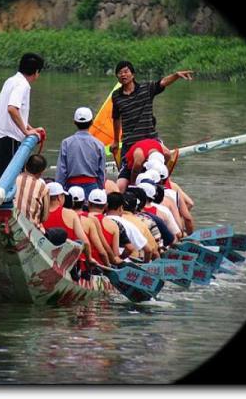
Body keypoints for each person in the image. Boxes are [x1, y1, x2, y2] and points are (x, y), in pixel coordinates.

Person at [109, 60, 193, 192]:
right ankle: (132, 189)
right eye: (119, 73)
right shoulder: (116, 96)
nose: (123, 75)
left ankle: (161, 179)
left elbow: (162, 82)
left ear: (133, 74)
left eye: (126, 72)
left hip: (151, 139)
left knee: (167, 154)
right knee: (120, 187)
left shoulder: (146, 89)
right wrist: (115, 141)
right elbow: (116, 119)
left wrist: (176, 75)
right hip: (130, 143)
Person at [0, 53, 45, 203]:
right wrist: (26, 131)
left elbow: (14, 111)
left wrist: (31, 128)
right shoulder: (23, 85)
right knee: (9, 184)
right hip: (8, 140)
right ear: (36, 72)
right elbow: (12, 109)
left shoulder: (11, 81)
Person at [43, 182, 97, 275]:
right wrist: (89, 259)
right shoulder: (70, 214)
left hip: (45, 262)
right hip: (68, 267)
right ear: (60, 197)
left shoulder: (38, 214)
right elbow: (85, 242)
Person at [56, 107, 106, 199]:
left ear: (74, 122)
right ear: (91, 122)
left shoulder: (66, 143)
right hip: (92, 187)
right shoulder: (99, 144)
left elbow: (61, 171)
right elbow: (101, 172)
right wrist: (101, 189)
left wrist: (59, 190)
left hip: (71, 186)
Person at [67, 186, 111, 266]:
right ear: (84, 202)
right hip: (83, 266)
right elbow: (102, 251)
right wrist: (109, 264)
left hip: (63, 263)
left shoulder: (61, 215)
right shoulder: (90, 220)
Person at [86, 189, 124, 265]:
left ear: (88, 203)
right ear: (106, 206)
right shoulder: (113, 225)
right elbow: (116, 254)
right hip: (103, 268)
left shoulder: (81, 219)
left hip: (85, 265)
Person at [14, 154, 50, 229]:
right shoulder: (43, 188)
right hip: (31, 230)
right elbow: (44, 218)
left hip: (9, 226)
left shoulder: (12, 180)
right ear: (41, 172)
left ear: (26, 166)